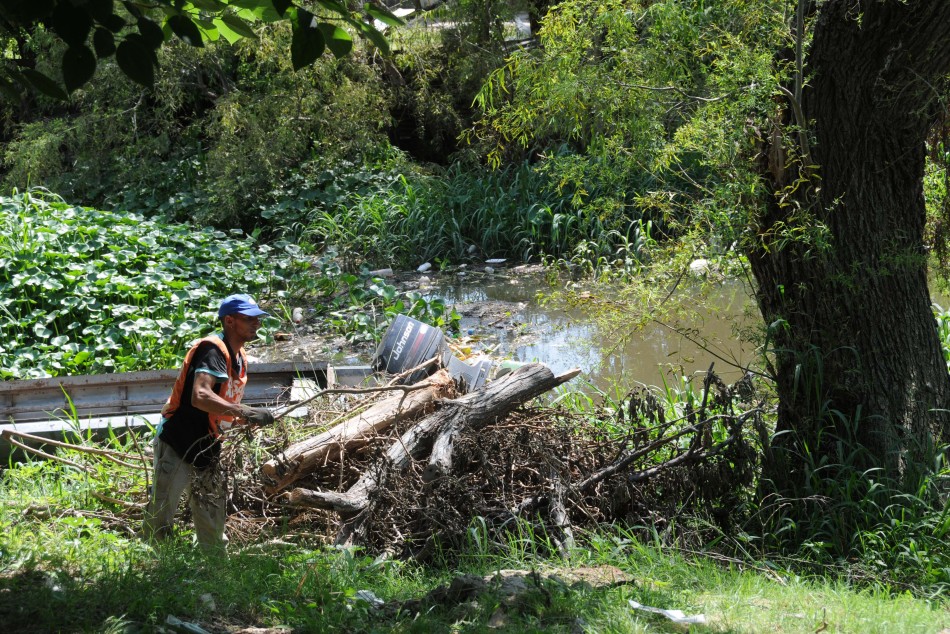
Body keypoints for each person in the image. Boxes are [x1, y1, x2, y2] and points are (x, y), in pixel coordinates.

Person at [143, 293, 275, 551]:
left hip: (208, 443)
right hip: (180, 441)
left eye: (257, 319)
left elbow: (221, 403)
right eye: (249, 319)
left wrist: (240, 422)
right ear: (229, 320)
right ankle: (151, 562)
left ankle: (215, 566)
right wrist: (244, 412)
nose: (256, 324)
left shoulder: (239, 357)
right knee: (162, 509)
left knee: (211, 510)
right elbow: (200, 396)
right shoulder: (212, 350)